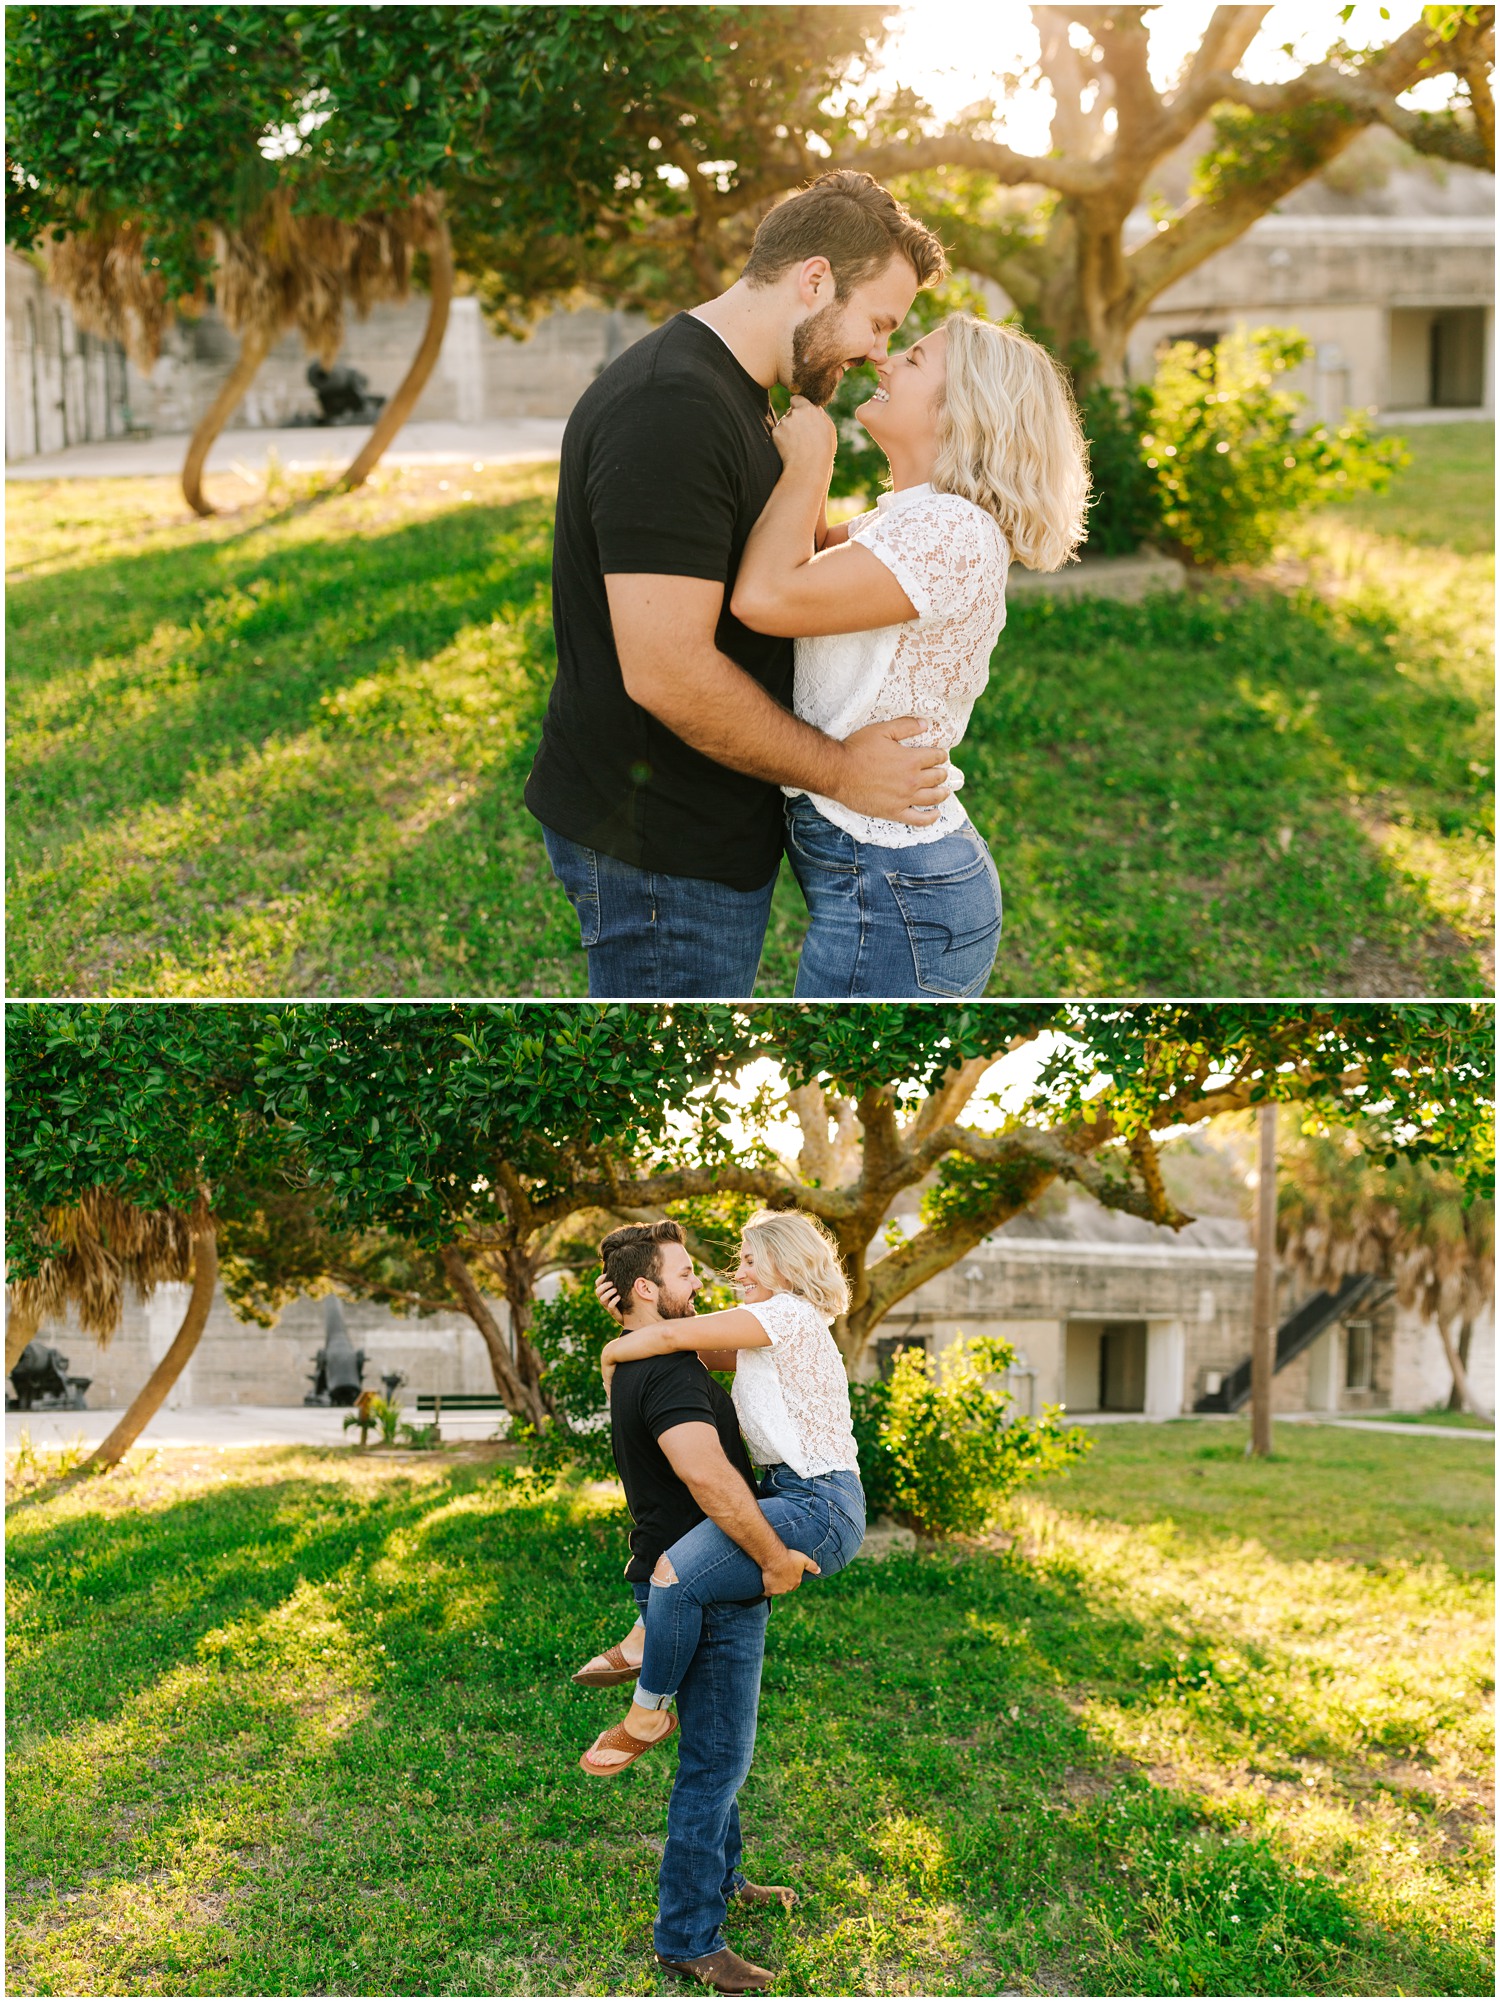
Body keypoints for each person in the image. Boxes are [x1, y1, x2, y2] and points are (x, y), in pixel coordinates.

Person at [525, 170, 950, 999]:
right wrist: (842, 771)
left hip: (700, 823)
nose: (875, 352)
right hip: (658, 844)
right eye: (877, 323)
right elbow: (668, 669)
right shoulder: (671, 408)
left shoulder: (743, 392)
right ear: (815, 279)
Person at [729, 313, 1091, 997]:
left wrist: (812, 459)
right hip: (888, 878)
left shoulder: (950, 532)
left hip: (900, 892)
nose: (885, 362)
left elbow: (767, 598)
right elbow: (805, 556)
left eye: (915, 360)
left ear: (963, 414)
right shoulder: (912, 516)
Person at [576, 1220, 811, 1994]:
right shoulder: (672, 1375)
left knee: (714, 1751)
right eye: (681, 1275)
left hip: (667, 1576)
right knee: (716, 1762)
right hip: (707, 1585)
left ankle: (724, 1882)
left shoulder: (637, 1366)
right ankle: (687, 1938)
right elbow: (707, 1478)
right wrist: (772, 1557)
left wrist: (626, 1328)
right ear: (647, 1288)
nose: (695, 1286)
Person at [578, 1210, 865, 1765]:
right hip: (794, 1495)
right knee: (682, 1571)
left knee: (675, 1571)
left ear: (786, 1264)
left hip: (820, 1504)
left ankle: (646, 1714)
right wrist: (629, 1316)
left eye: (751, 1261)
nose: (738, 1273)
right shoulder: (765, 1332)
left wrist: (611, 1352)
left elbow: (675, 1334)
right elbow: (675, 1344)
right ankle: (644, 1639)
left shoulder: (790, 1315)